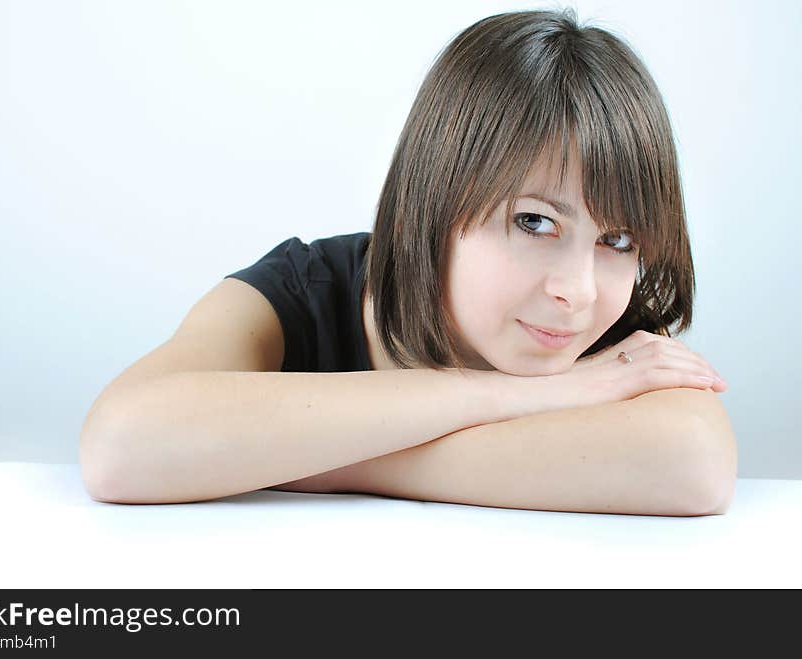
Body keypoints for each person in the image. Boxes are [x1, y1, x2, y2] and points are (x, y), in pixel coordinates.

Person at [79, 8, 737, 515]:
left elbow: (696, 460)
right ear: (435, 202)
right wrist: (516, 397)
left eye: (617, 240)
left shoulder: (604, 332)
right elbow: (120, 444)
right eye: (534, 221)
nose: (579, 289)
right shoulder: (298, 291)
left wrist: (314, 459)